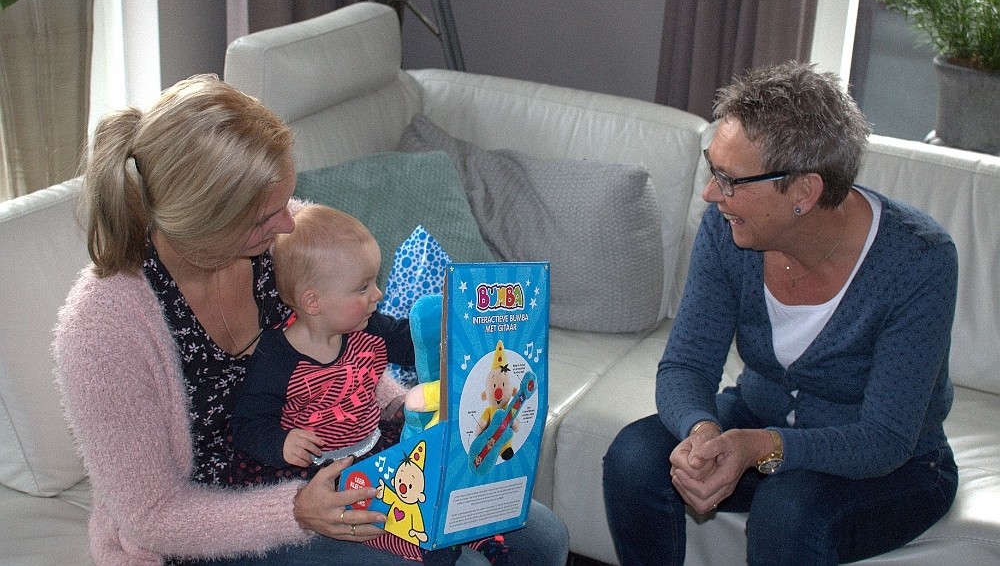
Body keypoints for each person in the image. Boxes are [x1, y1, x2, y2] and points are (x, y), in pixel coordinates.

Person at [52, 74, 568, 566]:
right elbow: (150, 516)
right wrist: (295, 511)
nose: (288, 222)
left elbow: (345, 346)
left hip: (334, 468)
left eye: (284, 201)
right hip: (214, 527)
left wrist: (401, 413)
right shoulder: (104, 328)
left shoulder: (286, 241)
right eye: (265, 216)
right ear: (205, 223)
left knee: (538, 536)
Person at [603, 62, 959, 565]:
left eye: (730, 180)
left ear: (803, 192)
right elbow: (687, 364)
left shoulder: (919, 261)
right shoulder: (727, 230)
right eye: (712, 168)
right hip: (758, 419)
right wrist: (701, 433)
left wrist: (761, 447)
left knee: (786, 513)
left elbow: (886, 438)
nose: (711, 194)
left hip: (895, 466)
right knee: (635, 458)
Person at [230, 204, 505, 565]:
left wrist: (458, 329)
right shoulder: (276, 355)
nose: (377, 295)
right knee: (382, 512)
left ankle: (480, 531)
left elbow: (412, 344)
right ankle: (418, 545)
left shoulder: (369, 328)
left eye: (374, 282)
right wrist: (280, 442)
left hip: (371, 445)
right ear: (313, 301)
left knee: (433, 474)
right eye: (363, 287)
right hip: (315, 471)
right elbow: (248, 423)